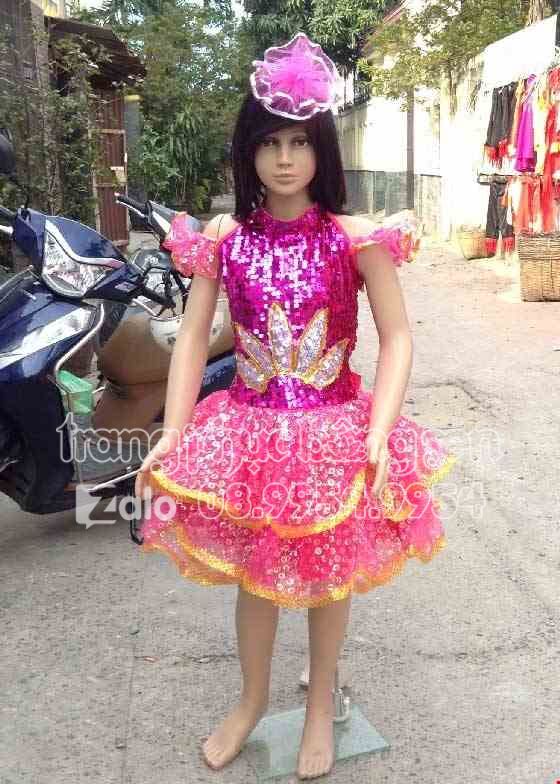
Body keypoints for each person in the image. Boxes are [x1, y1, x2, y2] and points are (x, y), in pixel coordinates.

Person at [135, 32, 457, 781]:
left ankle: (319, 703)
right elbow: (193, 339)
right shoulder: (225, 240)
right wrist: (174, 432)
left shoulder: (355, 239)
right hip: (249, 432)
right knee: (255, 575)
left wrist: (379, 430)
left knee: (326, 571)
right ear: (248, 150)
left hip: (333, 430)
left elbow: (398, 337)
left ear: (322, 151)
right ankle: (250, 701)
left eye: (300, 142)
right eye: (269, 142)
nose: (284, 159)